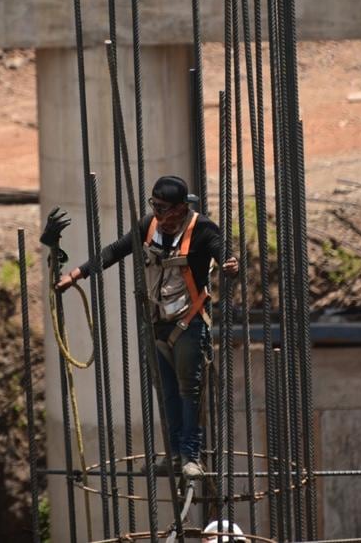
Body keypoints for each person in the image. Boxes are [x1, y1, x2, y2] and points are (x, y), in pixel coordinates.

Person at [41, 175, 238, 480]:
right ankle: (173, 456)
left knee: (190, 389)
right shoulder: (149, 226)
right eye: (155, 207)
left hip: (188, 323)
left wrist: (230, 263)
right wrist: (76, 275)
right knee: (167, 392)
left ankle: (190, 457)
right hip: (156, 324)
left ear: (181, 208)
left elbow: (223, 253)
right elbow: (113, 251)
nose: (159, 215)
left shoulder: (202, 230)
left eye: (165, 209)